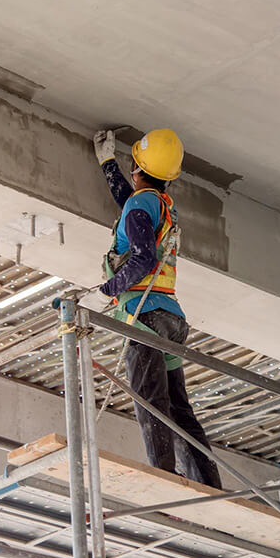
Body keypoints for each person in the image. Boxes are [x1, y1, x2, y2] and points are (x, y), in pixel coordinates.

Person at [91, 127, 222, 489]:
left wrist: (108, 290)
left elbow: (143, 257)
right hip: (170, 319)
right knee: (179, 410)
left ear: (137, 166)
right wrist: (107, 165)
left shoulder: (141, 206)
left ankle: (163, 477)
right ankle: (209, 485)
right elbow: (130, 206)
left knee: (151, 403)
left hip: (144, 317)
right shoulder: (162, 206)